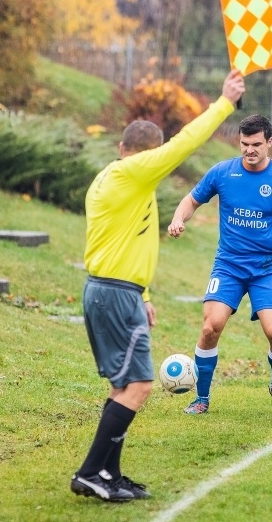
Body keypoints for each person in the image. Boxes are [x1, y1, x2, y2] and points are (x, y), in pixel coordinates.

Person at [71, 70, 245, 502]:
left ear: (120, 147)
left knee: (121, 387)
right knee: (141, 385)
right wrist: (224, 103)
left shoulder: (115, 178)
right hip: (113, 293)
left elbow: (126, 239)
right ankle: (91, 472)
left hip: (115, 290)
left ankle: (108, 475)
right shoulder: (132, 174)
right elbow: (183, 145)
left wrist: (144, 296)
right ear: (143, 157)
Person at [167, 114, 272, 418]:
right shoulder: (222, 173)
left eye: (256, 144)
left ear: (269, 142)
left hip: (266, 269)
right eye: (244, 144)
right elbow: (191, 200)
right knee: (210, 326)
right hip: (228, 266)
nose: (249, 150)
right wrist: (179, 218)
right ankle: (201, 398)